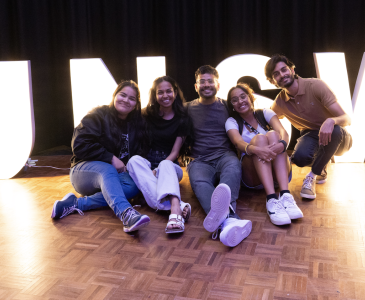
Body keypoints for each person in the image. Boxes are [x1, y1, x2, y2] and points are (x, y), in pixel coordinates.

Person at [51, 80, 151, 233]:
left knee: (132, 187)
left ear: (136, 103)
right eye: (122, 95)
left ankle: (76, 204)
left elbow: (139, 154)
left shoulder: (137, 124)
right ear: (114, 96)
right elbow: (79, 145)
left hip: (113, 177)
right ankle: (127, 215)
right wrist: (111, 158)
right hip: (83, 172)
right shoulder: (98, 116)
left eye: (132, 98)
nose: (126, 100)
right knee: (107, 169)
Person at [264, 54, 352, 199]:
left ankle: (312, 175)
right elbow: (268, 120)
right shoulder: (280, 102)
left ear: (292, 70)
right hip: (311, 135)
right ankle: (322, 163)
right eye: (276, 74)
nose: (282, 75)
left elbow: (347, 119)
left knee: (335, 131)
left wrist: (331, 121)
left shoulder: (316, 85)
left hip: (340, 138)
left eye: (284, 69)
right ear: (272, 81)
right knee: (298, 157)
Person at [185, 65, 252, 247]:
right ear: (196, 86)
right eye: (202, 82)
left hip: (224, 155)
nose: (206, 85)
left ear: (218, 85)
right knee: (199, 183)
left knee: (233, 168)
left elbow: (250, 115)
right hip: (199, 160)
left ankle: (222, 222)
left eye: (210, 81)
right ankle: (230, 221)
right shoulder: (187, 109)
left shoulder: (227, 106)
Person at [225, 83, 303, 225]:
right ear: (232, 105)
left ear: (250, 97)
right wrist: (257, 149)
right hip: (253, 177)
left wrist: (282, 144)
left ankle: (285, 195)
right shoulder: (232, 121)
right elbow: (237, 142)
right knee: (260, 139)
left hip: (280, 174)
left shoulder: (265, 113)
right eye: (235, 100)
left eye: (243, 96)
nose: (240, 101)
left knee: (274, 135)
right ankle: (271, 199)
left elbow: (283, 132)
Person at [127, 76, 191, 234]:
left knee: (165, 164)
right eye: (160, 92)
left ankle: (175, 211)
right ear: (155, 95)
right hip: (147, 167)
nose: (165, 96)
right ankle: (177, 205)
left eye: (169, 91)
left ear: (175, 93)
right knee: (133, 161)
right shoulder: (146, 115)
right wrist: (151, 170)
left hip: (170, 168)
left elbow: (175, 152)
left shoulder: (183, 119)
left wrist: (157, 170)